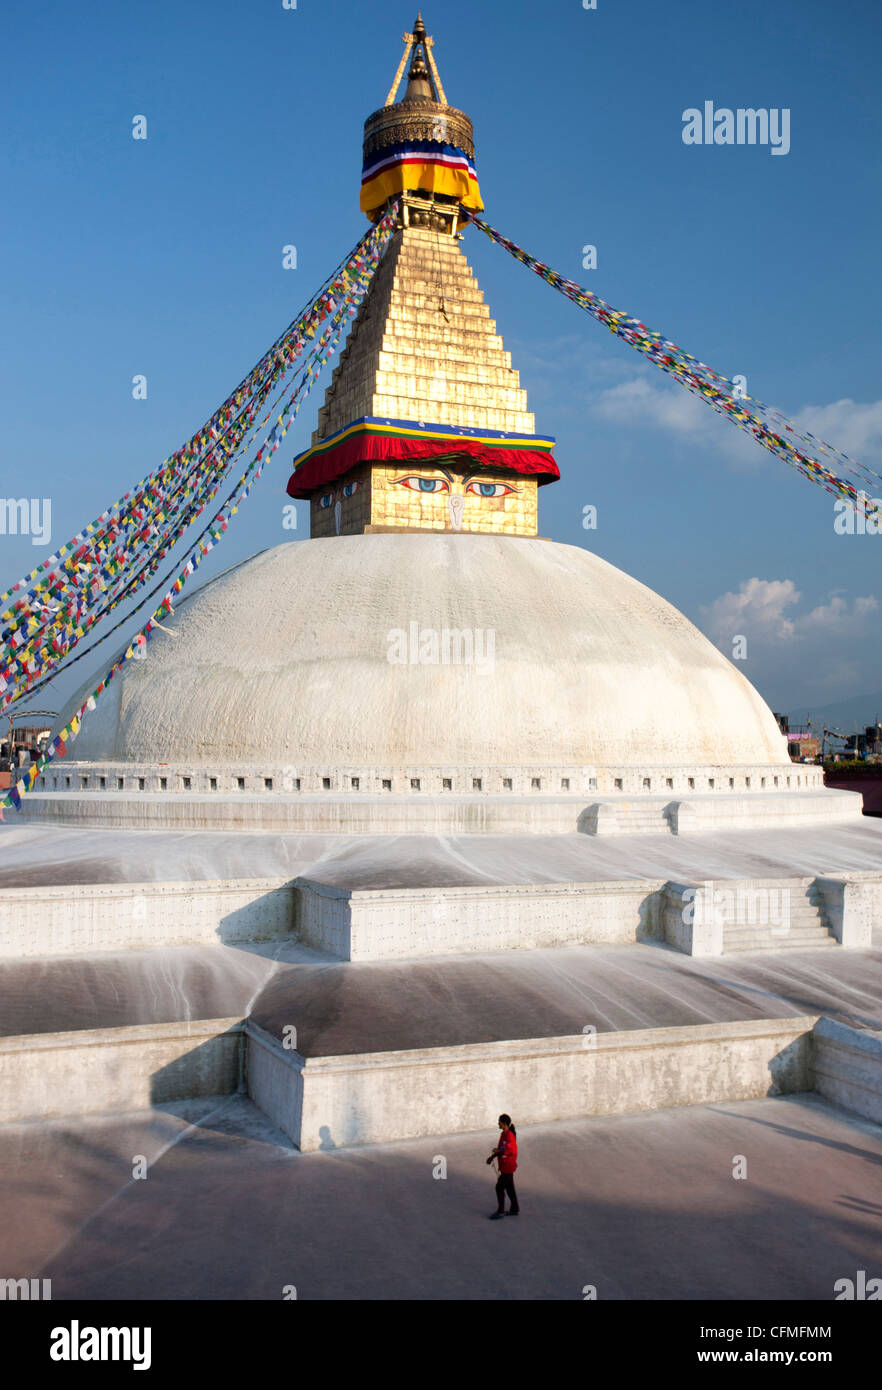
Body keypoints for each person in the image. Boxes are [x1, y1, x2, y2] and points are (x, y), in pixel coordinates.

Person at [487, 1113, 519, 1219]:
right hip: (505, 1166)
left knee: (499, 1187)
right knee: (509, 1188)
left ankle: (501, 1211)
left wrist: (498, 1151)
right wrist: (492, 1157)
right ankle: (514, 1209)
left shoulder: (509, 1135)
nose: (498, 1123)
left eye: (499, 1121)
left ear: (504, 1123)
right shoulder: (503, 1134)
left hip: (508, 1166)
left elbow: (510, 1150)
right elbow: (501, 1149)